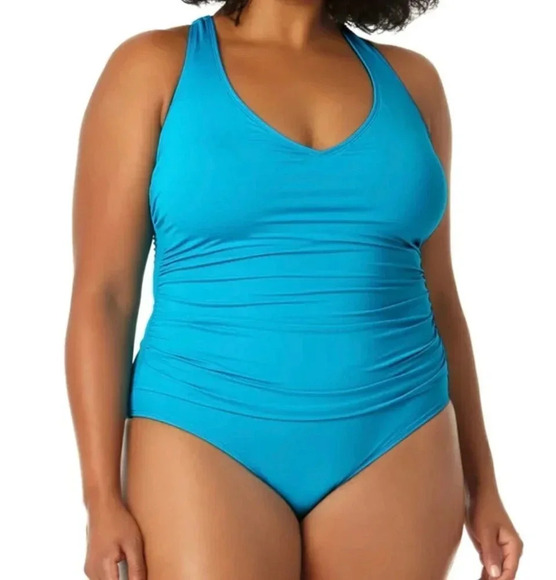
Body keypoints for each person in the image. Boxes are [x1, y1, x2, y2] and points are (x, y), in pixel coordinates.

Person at [65, 1, 524, 578]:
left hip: (400, 430)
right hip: (202, 429)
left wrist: (483, 486)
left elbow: (441, 296)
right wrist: (100, 499)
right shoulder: (153, 68)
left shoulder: (414, 83)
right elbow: (104, 297)